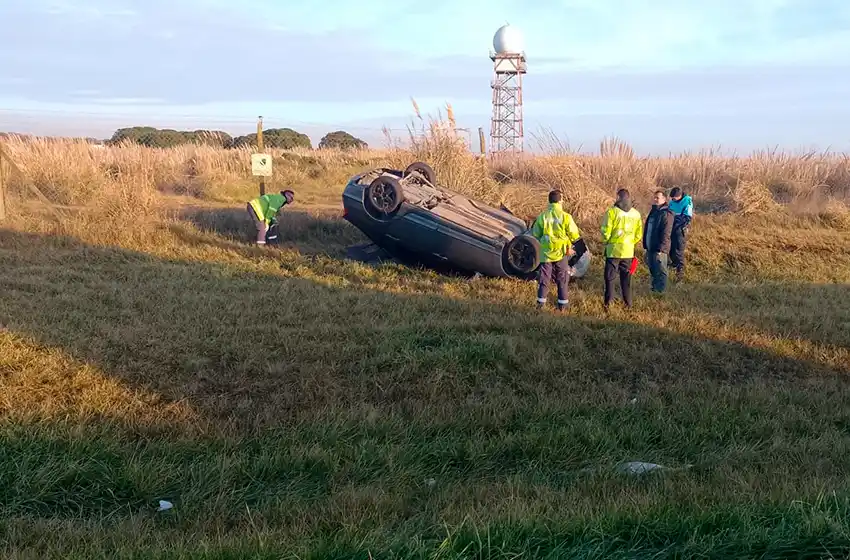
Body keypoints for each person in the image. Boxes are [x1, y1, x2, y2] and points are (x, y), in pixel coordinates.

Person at [530, 190, 585, 312]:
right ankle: (562, 305)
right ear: (560, 201)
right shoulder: (566, 217)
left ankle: (540, 304)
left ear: (549, 201)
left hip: (546, 253)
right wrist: (575, 247)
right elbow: (574, 234)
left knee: (544, 278)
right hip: (562, 252)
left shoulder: (543, 216)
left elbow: (536, 233)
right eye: (562, 199)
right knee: (562, 278)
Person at [600, 188, 643, 311]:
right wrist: (630, 243)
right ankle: (628, 304)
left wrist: (606, 241)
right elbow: (638, 234)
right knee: (626, 279)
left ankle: (608, 304)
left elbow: (605, 231)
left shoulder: (612, 212)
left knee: (610, 278)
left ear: (618, 197)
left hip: (613, 250)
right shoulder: (636, 214)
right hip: (628, 251)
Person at [642, 190, 674, 293]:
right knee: (653, 269)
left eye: (658, 198)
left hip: (660, 248)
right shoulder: (654, 211)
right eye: (655, 197)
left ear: (664, 199)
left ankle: (660, 292)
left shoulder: (666, 213)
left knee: (661, 270)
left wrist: (661, 248)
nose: (655, 199)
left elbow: (666, 232)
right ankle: (654, 289)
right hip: (650, 246)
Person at [667, 186, 694, 281]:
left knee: (679, 249)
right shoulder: (671, 203)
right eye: (672, 198)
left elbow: (687, 217)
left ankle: (680, 270)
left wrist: (676, 223)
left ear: (679, 196)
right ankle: (673, 263)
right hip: (671, 228)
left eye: (674, 197)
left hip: (680, 229)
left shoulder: (687, 202)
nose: (672, 199)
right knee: (670, 247)